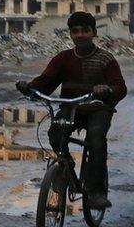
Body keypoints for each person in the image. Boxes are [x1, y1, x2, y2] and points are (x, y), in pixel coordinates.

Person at [16, 11, 127, 209]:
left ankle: (96, 191)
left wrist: (107, 90)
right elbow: (46, 81)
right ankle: (64, 167)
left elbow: (120, 87)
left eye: (85, 31)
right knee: (55, 132)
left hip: (98, 109)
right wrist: (30, 87)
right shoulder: (63, 58)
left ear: (94, 33)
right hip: (71, 107)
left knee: (95, 139)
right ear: (71, 35)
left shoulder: (105, 59)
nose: (80, 35)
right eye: (75, 31)